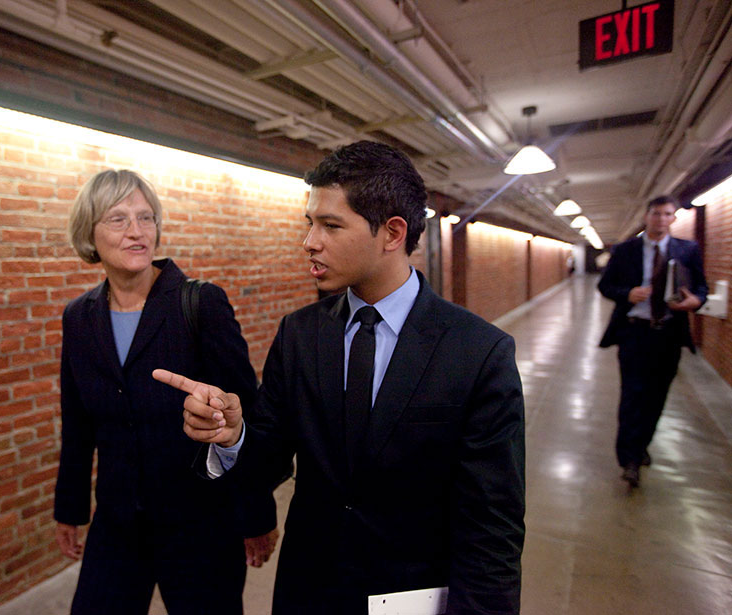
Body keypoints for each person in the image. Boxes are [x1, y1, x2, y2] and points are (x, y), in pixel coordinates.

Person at [154, 141, 526, 614]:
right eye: (310, 223)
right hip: (310, 590)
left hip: (413, 595)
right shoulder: (300, 334)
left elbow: (493, 527)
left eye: (330, 225)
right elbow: (269, 457)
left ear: (392, 233)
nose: (310, 241)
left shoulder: (478, 352)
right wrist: (233, 436)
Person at [53, 169, 279, 615]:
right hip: (117, 522)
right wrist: (71, 506)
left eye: (146, 217)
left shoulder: (200, 304)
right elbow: (78, 422)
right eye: (118, 220)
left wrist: (256, 515)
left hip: (201, 524)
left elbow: (246, 417)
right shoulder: (80, 317)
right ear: (89, 234)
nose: (137, 232)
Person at [598, 195, 708, 487]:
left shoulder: (688, 250)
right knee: (632, 395)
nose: (661, 219)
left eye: (667, 214)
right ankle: (629, 459)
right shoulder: (625, 250)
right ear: (646, 216)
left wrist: (696, 301)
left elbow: (701, 287)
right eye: (656, 213)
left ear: (673, 218)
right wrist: (627, 293)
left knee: (657, 397)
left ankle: (641, 444)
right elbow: (605, 285)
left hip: (669, 333)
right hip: (635, 332)